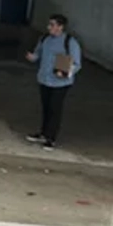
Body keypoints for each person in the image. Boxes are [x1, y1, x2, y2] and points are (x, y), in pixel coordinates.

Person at [25, 13, 82, 148]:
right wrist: (32, 57)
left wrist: (66, 72)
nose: (49, 27)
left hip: (60, 83)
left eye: (52, 25)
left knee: (55, 109)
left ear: (60, 27)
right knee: (46, 108)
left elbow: (77, 64)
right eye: (49, 24)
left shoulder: (70, 42)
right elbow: (38, 54)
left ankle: (51, 138)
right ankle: (43, 133)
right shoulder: (44, 39)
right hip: (44, 79)